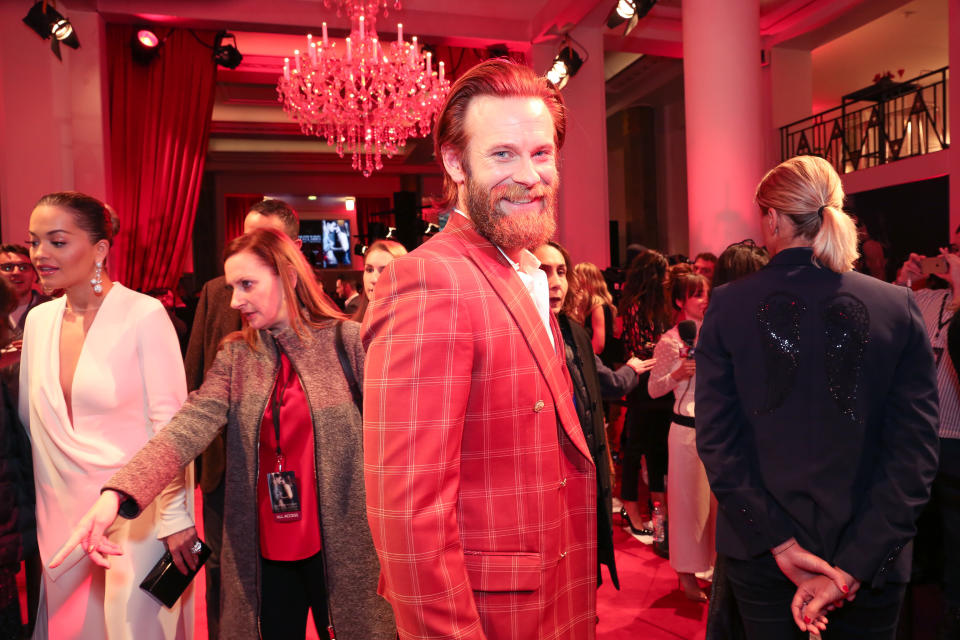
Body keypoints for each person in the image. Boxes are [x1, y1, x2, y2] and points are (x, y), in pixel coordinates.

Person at [50, 228, 396, 640]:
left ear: (287, 274)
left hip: (343, 545)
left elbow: (396, 439)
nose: (235, 300)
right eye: (232, 286)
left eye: (247, 284)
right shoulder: (238, 355)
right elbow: (185, 429)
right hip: (265, 548)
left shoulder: (349, 343)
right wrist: (116, 495)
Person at [363, 59, 596, 639]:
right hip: (491, 618)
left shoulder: (528, 273)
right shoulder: (428, 280)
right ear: (453, 162)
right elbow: (409, 517)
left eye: (541, 154)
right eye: (502, 155)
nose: (529, 175)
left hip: (554, 596)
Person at [696, 155, 940, 638]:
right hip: (872, 561)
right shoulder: (897, 306)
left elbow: (720, 445)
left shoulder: (727, 306)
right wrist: (854, 566)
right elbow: (915, 454)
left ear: (771, 217)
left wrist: (782, 547)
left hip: (762, 556)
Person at [20, 191, 196, 639]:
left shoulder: (143, 315)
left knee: (132, 629)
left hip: (138, 515)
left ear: (100, 249)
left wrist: (175, 519)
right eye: (34, 242)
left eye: (57, 242)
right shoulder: (39, 322)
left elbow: (172, 429)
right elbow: (32, 421)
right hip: (60, 513)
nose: (40, 255)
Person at [183, 197, 299, 639]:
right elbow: (194, 381)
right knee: (221, 571)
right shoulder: (218, 294)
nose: (239, 299)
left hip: (290, 470)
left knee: (288, 576)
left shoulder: (333, 329)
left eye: (263, 241)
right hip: (225, 466)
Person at [535, 241, 652, 590]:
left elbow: (602, 388)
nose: (555, 281)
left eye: (560, 271)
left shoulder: (574, 333)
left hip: (581, 478)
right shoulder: (518, 336)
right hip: (543, 485)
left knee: (582, 583)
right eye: (543, 271)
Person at [648, 264, 715, 602]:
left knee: (712, 506)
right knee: (687, 505)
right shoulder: (669, 341)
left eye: (706, 292)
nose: (704, 300)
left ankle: (713, 568)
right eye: (696, 294)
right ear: (679, 302)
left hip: (715, 430)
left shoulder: (716, 334)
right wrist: (676, 374)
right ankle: (686, 575)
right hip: (685, 432)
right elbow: (653, 389)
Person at [617, 249, 673, 536]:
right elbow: (641, 348)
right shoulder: (637, 306)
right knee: (637, 446)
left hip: (660, 382)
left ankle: (657, 514)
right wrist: (664, 346)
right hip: (641, 381)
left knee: (656, 450)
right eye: (663, 272)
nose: (667, 278)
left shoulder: (656, 306)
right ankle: (631, 506)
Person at [0, 244, 49, 348]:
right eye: (7, 267)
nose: (17, 272)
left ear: (34, 273)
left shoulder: (55, 308)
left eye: (24, 267)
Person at [571, 261, 618, 361]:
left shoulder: (597, 306)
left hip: (598, 364)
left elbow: (598, 346)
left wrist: (583, 362)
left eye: (576, 276)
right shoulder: (590, 305)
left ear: (585, 280)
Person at [352, 239, 407, 322]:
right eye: (369, 270)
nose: (374, 279)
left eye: (385, 271)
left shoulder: (415, 326)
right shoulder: (351, 329)